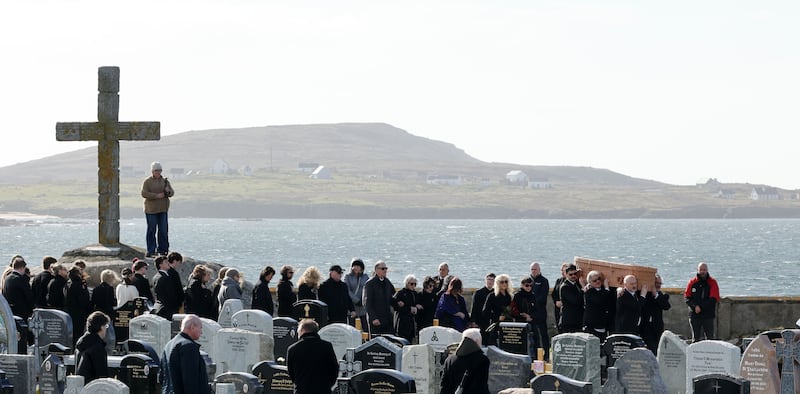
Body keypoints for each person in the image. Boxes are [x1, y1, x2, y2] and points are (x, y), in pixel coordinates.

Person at [286, 319, 339, 394]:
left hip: (302, 390)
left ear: (302, 330)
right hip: (322, 389)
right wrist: (328, 385)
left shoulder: (293, 349)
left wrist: (299, 383)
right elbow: (334, 369)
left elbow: (291, 373)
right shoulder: (326, 346)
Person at [160, 314, 209, 394]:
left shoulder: (168, 345)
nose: (201, 332)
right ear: (192, 327)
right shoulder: (189, 347)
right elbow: (190, 380)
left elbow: (162, 376)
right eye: (200, 328)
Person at [440, 328, 490, 394]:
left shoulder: (449, 360)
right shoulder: (482, 360)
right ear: (477, 341)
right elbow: (481, 387)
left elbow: (444, 386)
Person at [141, 161, 174, 257]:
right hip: (151, 210)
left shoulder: (165, 181)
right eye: (156, 170)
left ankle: (163, 250)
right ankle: (151, 250)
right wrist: (156, 196)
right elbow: (144, 193)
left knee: (163, 230)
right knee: (151, 230)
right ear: (152, 171)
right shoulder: (147, 181)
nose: (158, 172)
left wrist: (168, 191)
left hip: (163, 209)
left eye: (160, 170)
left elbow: (172, 193)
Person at [685, 262, 720, 342]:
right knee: (695, 339)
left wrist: (700, 307)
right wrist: (695, 306)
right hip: (695, 315)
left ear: (707, 270)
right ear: (697, 270)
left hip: (708, 316)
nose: (702, 272)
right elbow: (687, 298)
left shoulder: (712, 282)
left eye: (704, 270)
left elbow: (713, 299)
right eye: (701, 270)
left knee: (710, 339)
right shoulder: (692, 282)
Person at [74, 311, 110, 383]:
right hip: (93, 386)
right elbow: (101, 374)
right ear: (102, 327)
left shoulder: (81, 342)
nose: (106, 329)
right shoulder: (98, 347)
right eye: (106, 326)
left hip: (80, 384)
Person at [363, 260, 395, 337]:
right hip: (376, 319)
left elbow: (394, 297)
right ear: (376, 270)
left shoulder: (387, 282)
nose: (385, 270)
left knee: (389, 340)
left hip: (387, 319)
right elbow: (366, 303)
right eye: (382, 268)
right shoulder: (370, 283)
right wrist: (373, 317)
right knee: (377, 341)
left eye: (386, 268)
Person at [640, 273, 671, 354]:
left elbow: (666, 306)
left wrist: (656, 295)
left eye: (660, 284)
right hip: (645, 327)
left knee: (656, 349)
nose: (658, 285)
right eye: (656, 283)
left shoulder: (662, 295)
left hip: (657, 327)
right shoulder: (645, 294)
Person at [482, 273, 513, 346]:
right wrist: (497, 317)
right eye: (502, 282)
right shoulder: (492, 296)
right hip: (496, 323)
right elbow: (485, 312)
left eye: (506, 281)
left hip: (508, 323)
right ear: (498, 283)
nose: (504, 284)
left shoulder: (510, 296)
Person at [582, 270, 613, 342]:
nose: (598, 281)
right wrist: (607, 288)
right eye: (594, 280)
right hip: (592, 326)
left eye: (599, 279)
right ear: (590, 282)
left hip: (602, 325)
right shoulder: (589, 291)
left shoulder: (603, 290)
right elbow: (600, 300)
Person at [528, 262, 551, 360]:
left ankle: (546, 354)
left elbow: (543, 297)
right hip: (530, 313)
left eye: (535, 269)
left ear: (539, 270)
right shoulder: (528, 281)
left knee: (543, 334)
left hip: (540, 312)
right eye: (532, 269)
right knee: (533, 334)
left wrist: (533, 304)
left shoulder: (544, 281)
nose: (533, 271)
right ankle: (534, 354)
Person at [66, 266, 91, 347]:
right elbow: (84, 301)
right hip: (79, 313)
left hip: (70, 312)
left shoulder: (68, 284)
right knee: (79, 333)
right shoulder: (79, 285)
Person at [393, 275, 421, 341]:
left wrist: (416, 308)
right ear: (407, 283)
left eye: (415, 284)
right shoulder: (400, 293)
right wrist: (409, 309)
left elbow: (417, 306)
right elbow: (395, 306)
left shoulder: (415, 294)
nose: (413, 286)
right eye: (411, 284)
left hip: (411, 323)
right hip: (401, 323)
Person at [558, 264, 584, 333]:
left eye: (575, 274)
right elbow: (574, 301)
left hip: (577, 321)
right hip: (568, 322)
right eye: (570, 274)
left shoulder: (577, 284)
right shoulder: (565, 287)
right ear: (566, 274)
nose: (573, 276)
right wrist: (583, 289)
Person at [470, 273, 495, 344]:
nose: (490, 281)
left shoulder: (496, 293)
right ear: (485, 280)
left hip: (491, 320)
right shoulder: (478, 293)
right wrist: (473, 321)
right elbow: (474, 307)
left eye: (492, 280)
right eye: (488, 279)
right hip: (480, 320)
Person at [344, 258, 368, 329]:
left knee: (365, 327)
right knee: (351, 327)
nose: (356, 267)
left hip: (362, 306)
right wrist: (356, 300)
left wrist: (363, 300)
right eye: (355, 265)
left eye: (358, 266)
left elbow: (367, 289)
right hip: (352, 306)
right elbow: (347, 290)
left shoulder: (365, 277)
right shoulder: (348, 277)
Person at [552, 262, 569, 333]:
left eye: (564, 271)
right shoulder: (559, 280)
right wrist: (556, 301)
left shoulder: (570, 282)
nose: (562, 272)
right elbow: (554, 293)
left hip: (566, 308)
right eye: (561, 270)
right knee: (559, 326)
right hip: (558, 308)